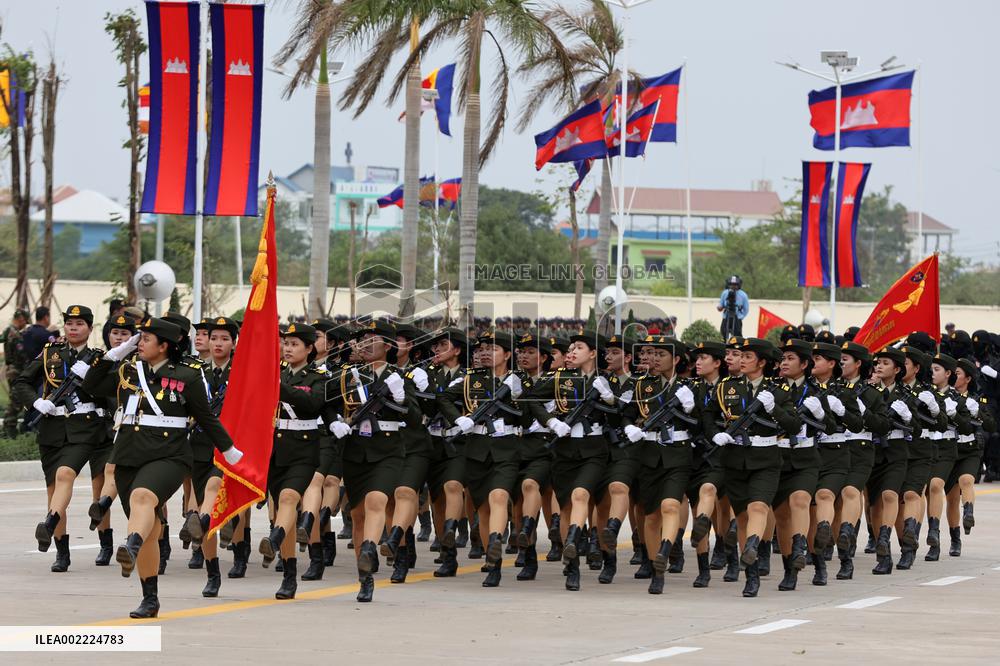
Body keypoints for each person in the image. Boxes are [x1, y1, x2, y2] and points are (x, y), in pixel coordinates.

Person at [81, 317, 241, 618]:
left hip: (169, 455)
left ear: (164, 346)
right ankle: (150, 598)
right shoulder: (129, 370)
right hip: (128, 454)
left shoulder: (187, 375)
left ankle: (131, 543)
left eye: (145, 339)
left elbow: (205, 417)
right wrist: (113, 355)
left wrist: (229, 450)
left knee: (142, 497)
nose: (138, 343)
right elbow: (90, 385)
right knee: (151, 528)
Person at [702, 337, 801, 598]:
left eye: (747, 356)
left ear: (762, 362)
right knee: (743, 517)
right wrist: (714, 434)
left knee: (759, 507)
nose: (741, 360)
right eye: (740, 355)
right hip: (734, 459)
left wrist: (774, 408)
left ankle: (757, 547)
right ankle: (752, 574)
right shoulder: (727, 387)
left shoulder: (778, 390)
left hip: (766, 459)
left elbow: (793, 425)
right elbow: (708, 415)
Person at [523, 330, 619, 592]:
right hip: (564, 450)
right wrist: (551, 421)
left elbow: (621, 415)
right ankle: (572, 565)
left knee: (581, 496)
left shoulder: (607, 379)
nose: (572, 352)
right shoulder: (559, 377)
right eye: (571, 348)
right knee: (566, 507)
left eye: (579, 348)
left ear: (592, 353)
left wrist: (610, 398)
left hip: (594, 450)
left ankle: (602, 555)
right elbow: (532, 398)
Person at [13, 305, 106, 574]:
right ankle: (61, 551)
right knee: (54, 491)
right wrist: (36, 403)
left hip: (84, 429)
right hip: (52, 429)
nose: (73, 328)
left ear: (90, 328)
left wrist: (92, 377)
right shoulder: (49, 353)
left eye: (80, 324)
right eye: (69, 323)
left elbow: (109, 393)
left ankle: (50, 522)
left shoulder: (98, 359)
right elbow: (22, 382)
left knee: (66, 474)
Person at [331, 319, 418, 602]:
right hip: (355, 451)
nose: (365, 345)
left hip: (387, 450)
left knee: (377, 500)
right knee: (357, 515)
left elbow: (415, 418)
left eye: (372, 339)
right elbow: (327, 405)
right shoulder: (349, 376)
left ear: (388, 346)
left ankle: (370, 546)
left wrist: (401, 397)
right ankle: (364, 576)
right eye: (362, 340)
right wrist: (335, 422)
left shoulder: (399, 377)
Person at [438, 330, 523, 587]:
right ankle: (491, 557)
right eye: (483, 349)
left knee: (499, 497)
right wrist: (458, 419)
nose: (485, 353)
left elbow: (533, 411)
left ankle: (496, 549)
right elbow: (444, 397)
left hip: (506, 448)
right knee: (483, 508)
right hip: (476, 449)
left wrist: (519, 395)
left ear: (507, 354)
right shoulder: (470, 379)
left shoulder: (518, 381)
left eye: (493, 349)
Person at [620, 336, 697, 595]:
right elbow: (627, 414)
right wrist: (629, 427)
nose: (654, 358)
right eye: (652, 354)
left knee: (671, 505)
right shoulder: (642, 385)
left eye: (661, 354)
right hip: (649, 455)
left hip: (678, 455)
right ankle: (657, 569)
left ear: (676, 359)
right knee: (651, 515)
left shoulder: (689, 387)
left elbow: (703, 424)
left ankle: (666, 548)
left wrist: (691, 408)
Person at [259, 323, 329, 600]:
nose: (287, 349)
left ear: (309, 348)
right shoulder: (275, 372)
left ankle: (274, 539)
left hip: (303, 450)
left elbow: (311, 404)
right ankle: (289, 575)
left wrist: (277, 388)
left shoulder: (319, 377)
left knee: (289, 498)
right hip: (276, 450)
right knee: (281, 509)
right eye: (285, 343)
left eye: (294, 344)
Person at [183, 317, 239, 596]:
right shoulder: (196, 372)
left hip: (230, 447)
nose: (217, 344)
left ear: (234, 343)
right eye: (213, 338)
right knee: (207, 505)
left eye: (224, 339)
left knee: (212, 490)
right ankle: (212, 572)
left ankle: (205, 520)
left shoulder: (241, 372)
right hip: (201, 446)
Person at [835, 341, 890, 579]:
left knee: (853, 493)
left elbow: (883, 426)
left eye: (845, 360)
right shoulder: (831, 389)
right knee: (832, 501)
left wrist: (863, 411)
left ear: (858, 364)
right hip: (833, 449)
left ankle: (850, 537)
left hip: (861, 450)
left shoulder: (871, 394)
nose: (840, 364)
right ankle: (839, 550)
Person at [423, 327, 469, 578]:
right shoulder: (427, 373)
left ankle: (453, 539)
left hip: (459, 441)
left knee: (453, 486)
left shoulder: (469, 375)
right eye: (435, 346)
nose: (437, 350)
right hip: (432, 441)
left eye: (443, 345)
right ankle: (445, 547)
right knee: (437, 498)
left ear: (457, 350)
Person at [923, 353, 975, 561]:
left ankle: (947, 537)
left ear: (948, 374)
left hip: (947, 448)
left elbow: (967, 427)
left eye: (937, 370)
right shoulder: (925, 394)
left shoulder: (957, 399)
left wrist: (954, 415)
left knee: (939, 488)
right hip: (927, 447)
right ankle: (935, 539)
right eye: (931, 369)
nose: (932, 373)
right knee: (932, 494)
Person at [946, 358, 996, 555]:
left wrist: (979, 414)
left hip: (969, 449)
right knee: (951, 498)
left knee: (966, 480)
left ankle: (968, 512)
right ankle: (955, 538)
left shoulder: (978, 399)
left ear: (967, 378)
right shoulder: (943, 396)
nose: (953, 376)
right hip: (949, 450)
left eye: (957, 373)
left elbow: (990, 425)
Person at [2, 308, 30, 436]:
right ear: (21, 319)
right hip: (16, 371)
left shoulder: (8, 331)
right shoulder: (16, 335)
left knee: (15, 399)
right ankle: (9, 429)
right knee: (16, 400)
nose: (25, 324)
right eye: (25, 321)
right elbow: (21, 355)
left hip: (10, 369)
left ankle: (8, 427)